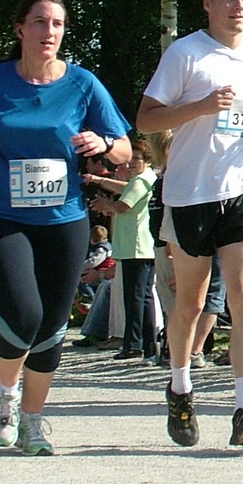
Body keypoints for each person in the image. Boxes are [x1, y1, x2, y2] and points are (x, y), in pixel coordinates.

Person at [0, 0, 132, 454]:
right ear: (20, 29)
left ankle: (32, 421)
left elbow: (125, 149)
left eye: (56, 24)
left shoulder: (82, 84)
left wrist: (103, 145)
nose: (48, 32)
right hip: (4, 217)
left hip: (65, 218)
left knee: (53, 323)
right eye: (39, 22)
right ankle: (6, 393)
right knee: (25, 314)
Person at [137, 0, 243, 448]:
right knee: (192, 302)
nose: (238, 6)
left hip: (242, 188)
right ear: (207, 3)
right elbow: (146, 119)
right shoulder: (185, 53)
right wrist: (199, 107)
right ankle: (180, 387)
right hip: (189, 192)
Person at [86, 141, 160, 361]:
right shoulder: (144, 180)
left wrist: (105, 204)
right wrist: (99, 181)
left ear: (147, 161)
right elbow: (122, 189)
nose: (129, 164)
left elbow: (122, 206)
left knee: (135, 299)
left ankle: (134, 344)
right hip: (139, 247)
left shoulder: (140, 180)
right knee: (142, 298)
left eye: (135, 159)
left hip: (135, 248)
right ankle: (147, 345)